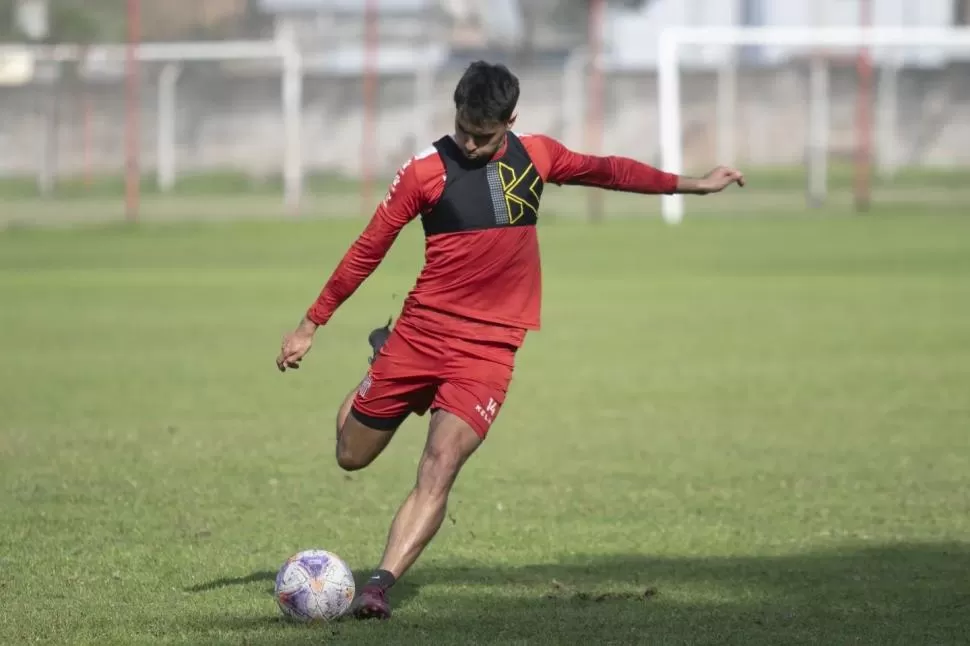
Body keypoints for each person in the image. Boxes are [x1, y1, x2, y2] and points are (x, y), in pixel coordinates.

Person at [275, 61, 744, 620]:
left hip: (490, 349)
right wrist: (311, 322)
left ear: (511, 121)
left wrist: (693, 183)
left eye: (485, 135)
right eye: (464, 130)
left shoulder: (537, 156)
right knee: (351, 455)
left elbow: (609, 170)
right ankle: (382, 355)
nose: (470, 144)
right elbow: (368, 249)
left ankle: (378, 584)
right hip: (422, 334)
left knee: (440, 464)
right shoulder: (423, 172)